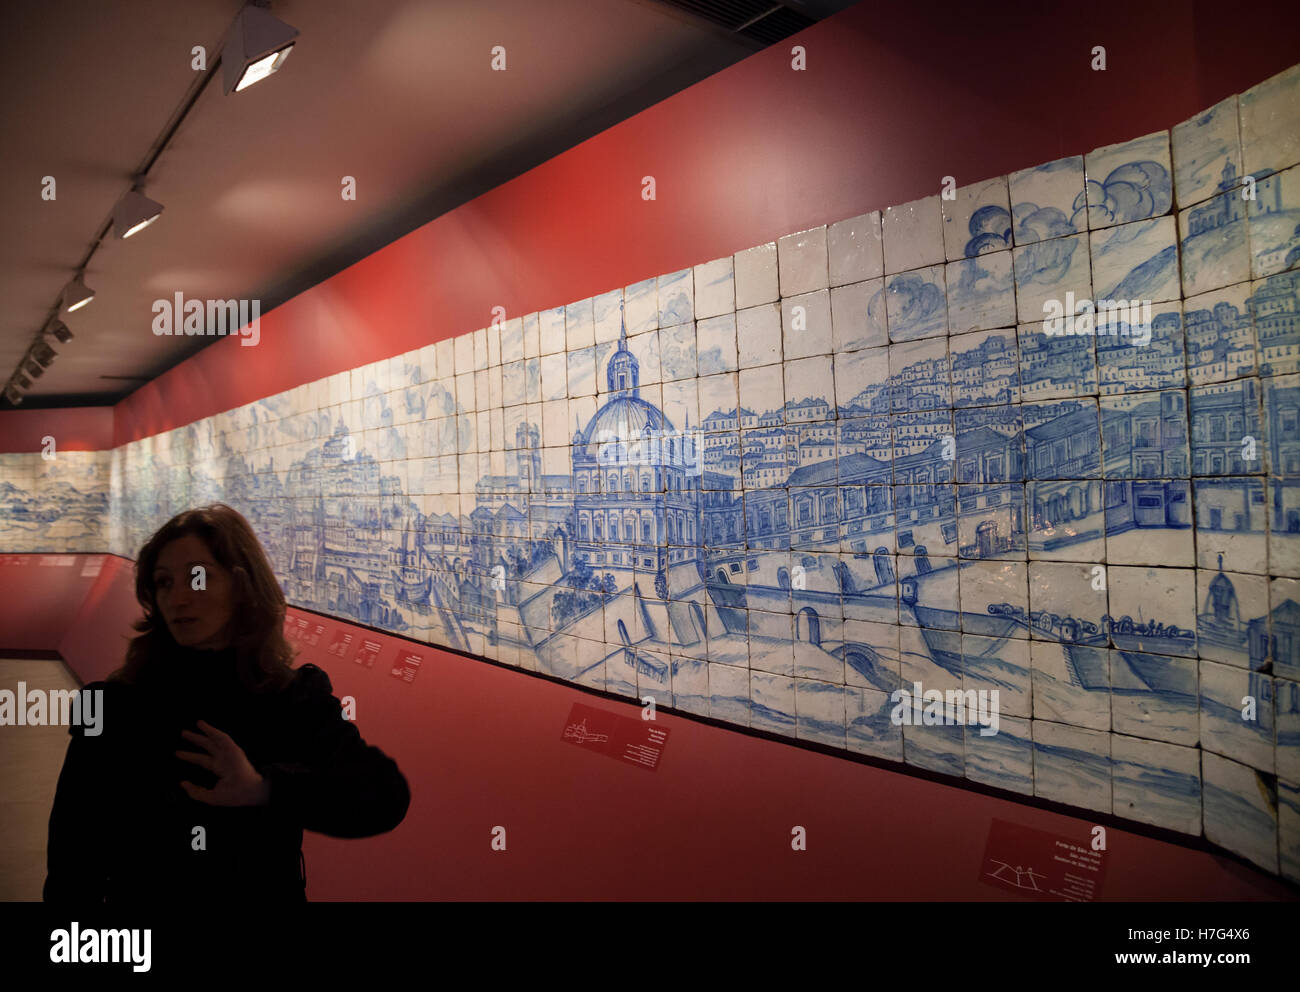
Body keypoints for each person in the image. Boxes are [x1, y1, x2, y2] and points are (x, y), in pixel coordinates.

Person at [43, 503, 411, 902]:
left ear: (241, 585)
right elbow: (73, 857)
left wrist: (265, 788)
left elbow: (383, 797)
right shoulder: (112, 706)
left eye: (197, 578)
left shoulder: (292, 699)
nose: (178, 598)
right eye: (164, 582)